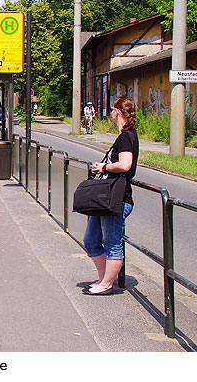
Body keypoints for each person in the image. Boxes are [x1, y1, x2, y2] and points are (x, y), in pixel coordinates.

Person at [82, 96, 138, 296]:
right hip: (107, 198)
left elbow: (125, 164)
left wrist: (103, 166)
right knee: (91, 241)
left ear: (118, 112)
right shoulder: (125, 135)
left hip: (117, 199)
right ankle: (104, 279)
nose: (111, 113)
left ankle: (106, 285)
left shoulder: (126, 137)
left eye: (113, 109)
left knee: (113, 243)